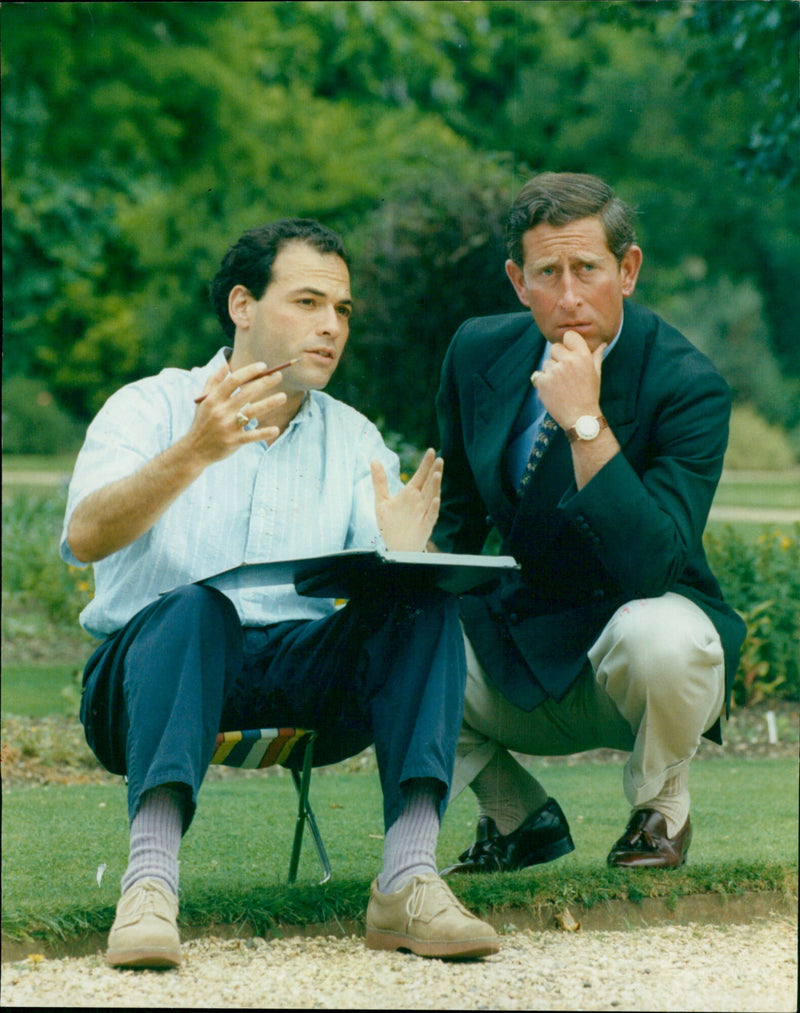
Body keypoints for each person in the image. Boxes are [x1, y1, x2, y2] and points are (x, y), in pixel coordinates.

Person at [61, 218, 498, 968]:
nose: (331, 326)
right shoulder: (149, 408)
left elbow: (392, 622)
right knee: (198, 606)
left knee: (422, 599)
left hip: (300, 680)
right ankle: (149, 886)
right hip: (145, 681)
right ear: (242, 305)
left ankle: (409, 877)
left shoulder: (355, 438)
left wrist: (406, 554)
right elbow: (86, 536)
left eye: (344, 310)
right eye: (307, 302)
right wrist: (193, 453)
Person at [432, 172, 746, 875]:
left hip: (635, 654)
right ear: (519, 280)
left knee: (665, 636)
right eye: (548, 272)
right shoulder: (476, 352)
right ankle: (517, 815)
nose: (569, 297)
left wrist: (584, 422)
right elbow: (456, 526)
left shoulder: (687, 385)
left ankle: (661, 810)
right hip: (518, 639)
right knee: (390, 628)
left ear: (627, 270)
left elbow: (651, 566)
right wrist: (403, 557)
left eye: (587, 269)